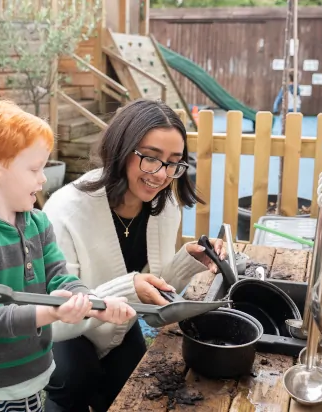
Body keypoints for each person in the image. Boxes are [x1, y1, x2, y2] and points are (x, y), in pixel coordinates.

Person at [0, 94, 137, 412]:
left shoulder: (37, 222)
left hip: (33, 375)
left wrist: (93, 304)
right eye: (34, 169)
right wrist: (54, 312)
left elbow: (59, 275)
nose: (43, 178)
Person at [43, 99, 227, 412]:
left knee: (134, 384)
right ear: (121, 149)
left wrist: (189, 260)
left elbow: (153, 293)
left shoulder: (165, 208)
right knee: (75, 378)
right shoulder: (65, 210)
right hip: (65, 328)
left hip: (118, 324)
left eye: (173, 162)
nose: (161, 174)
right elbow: (56, 318)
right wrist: (129, 288)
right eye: (150, 158)